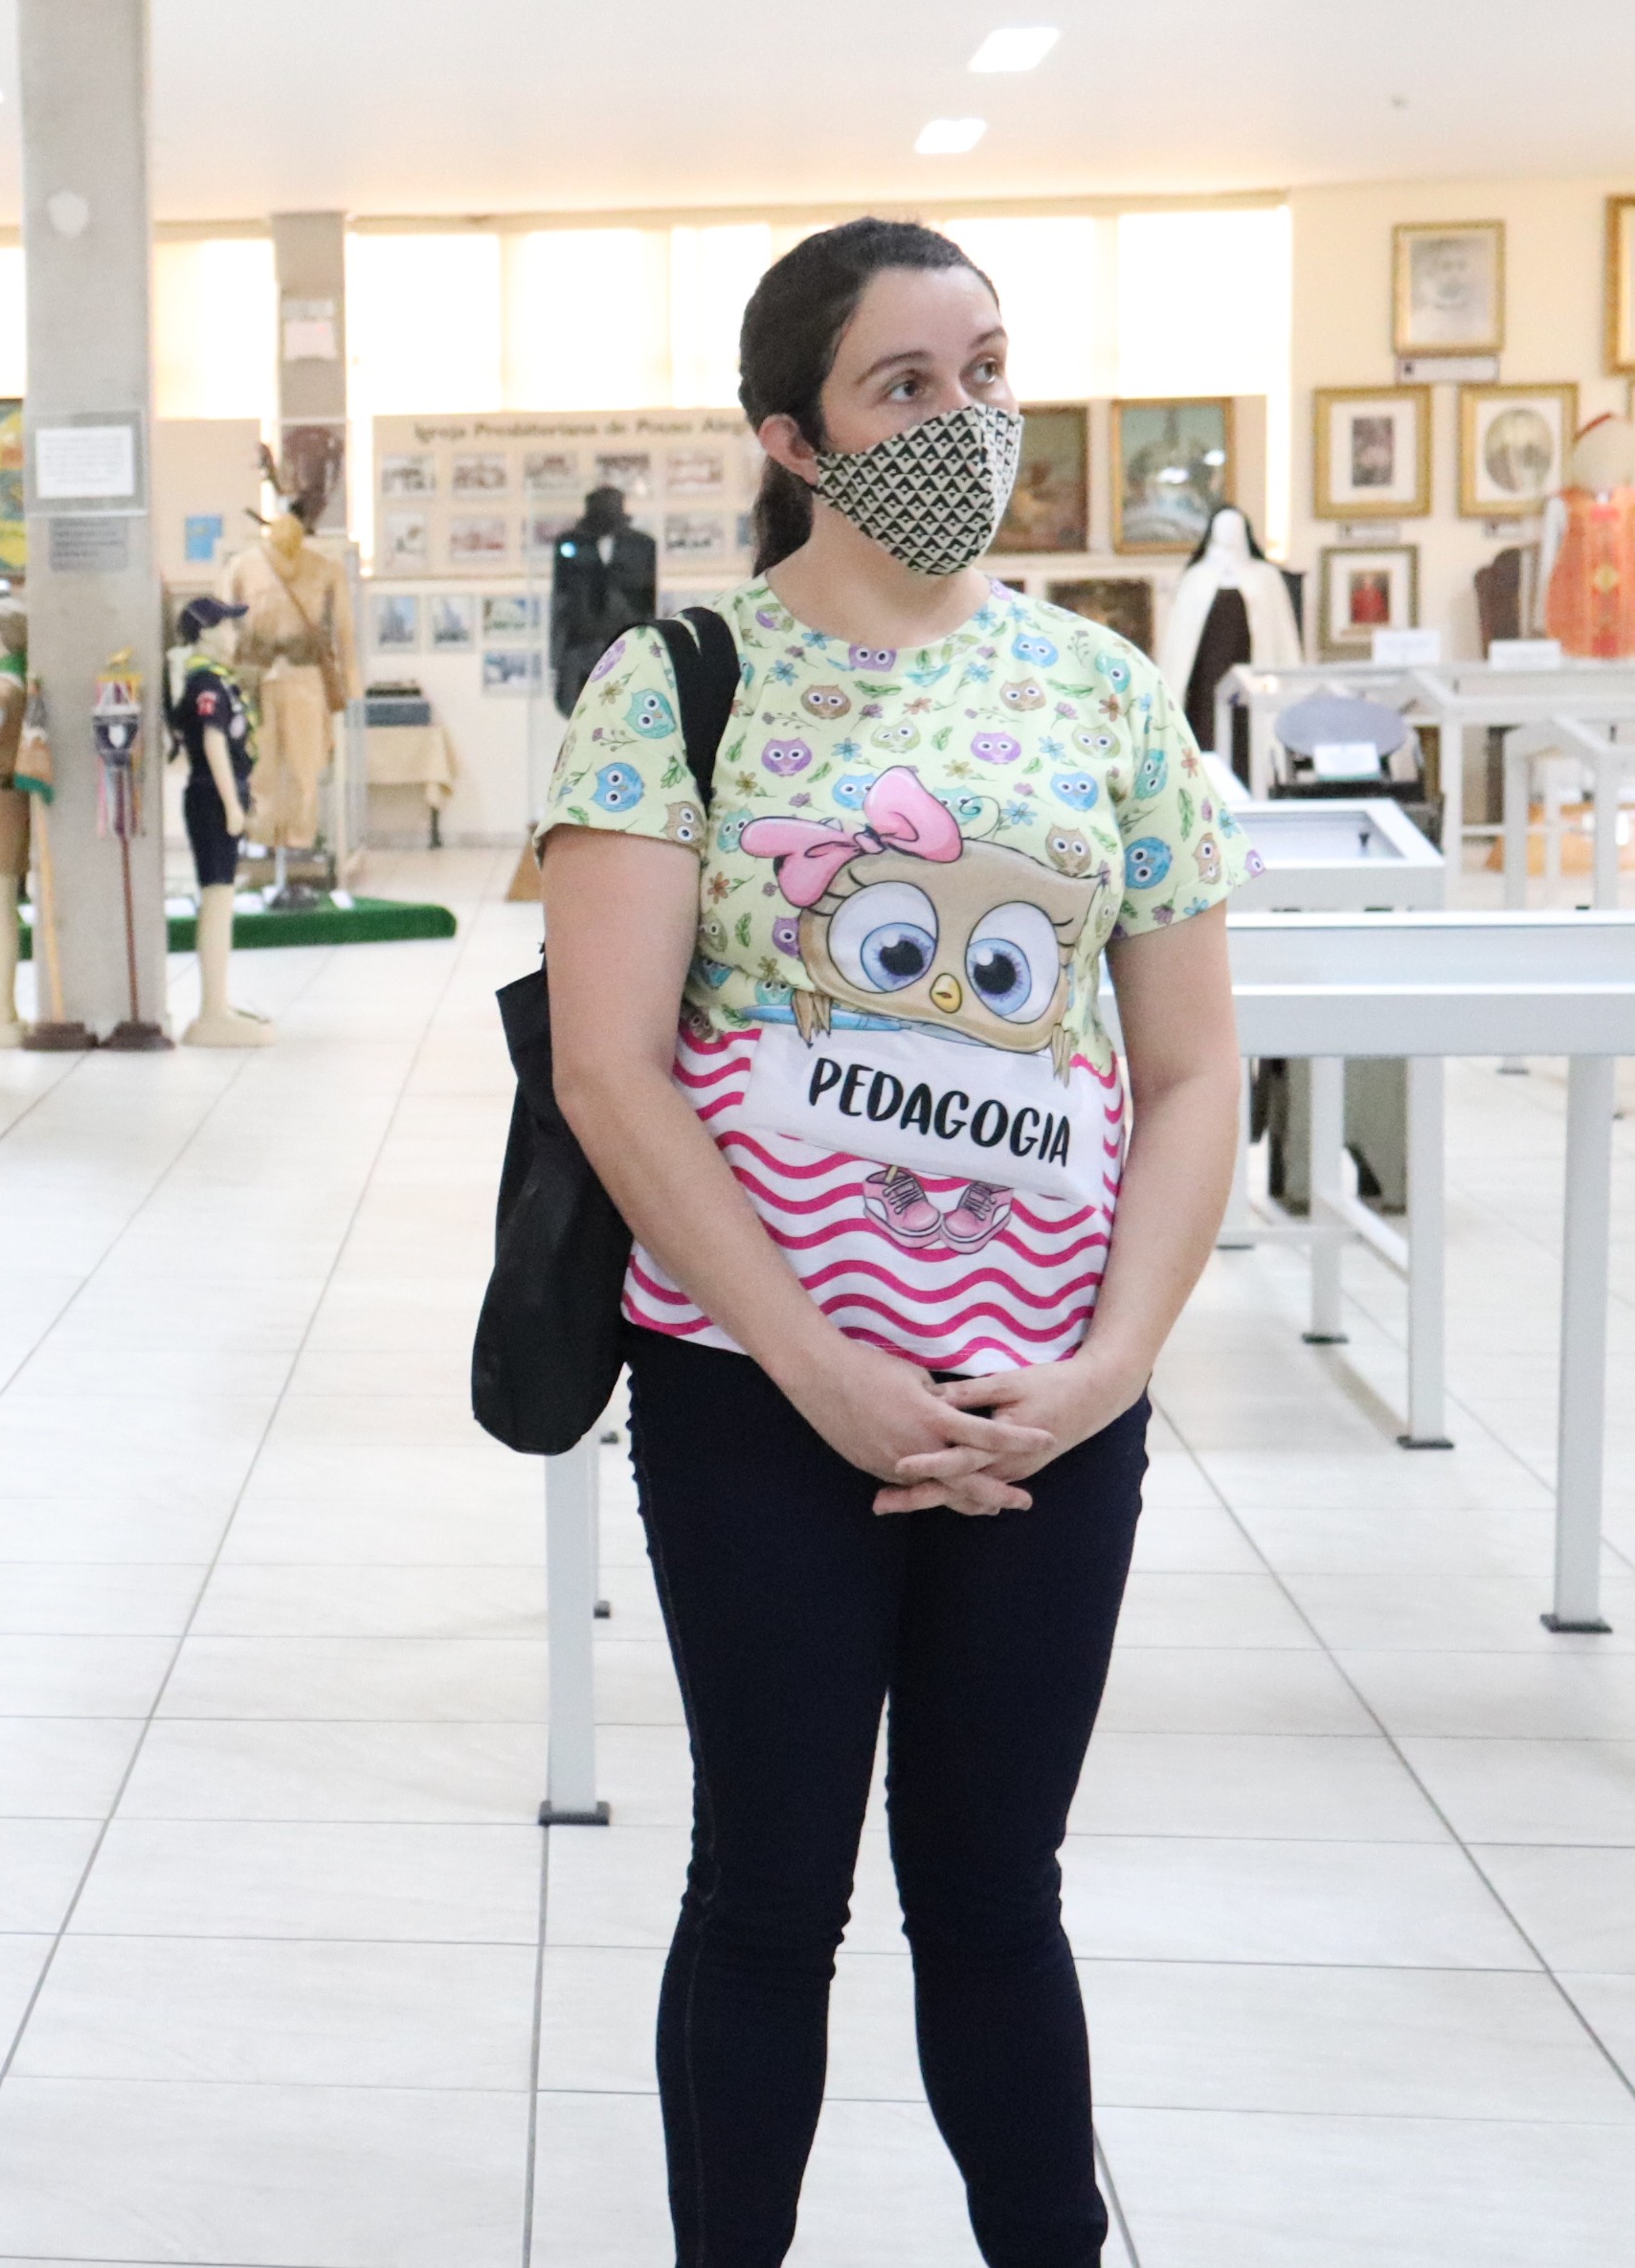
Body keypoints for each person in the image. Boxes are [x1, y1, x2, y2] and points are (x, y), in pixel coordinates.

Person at [537, 218, 1253, 2268]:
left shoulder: (1103, 693)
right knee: (769, 1886)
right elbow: (614, 1073)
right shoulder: (676, 685)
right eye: (903, 386)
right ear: (793, 430)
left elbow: (1192, 1073)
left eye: (987, 370)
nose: (966, 420)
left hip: (1048, 1398)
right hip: (759, 1394)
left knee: (996, 1887)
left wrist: (1109, 1367)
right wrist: (818, 1370)